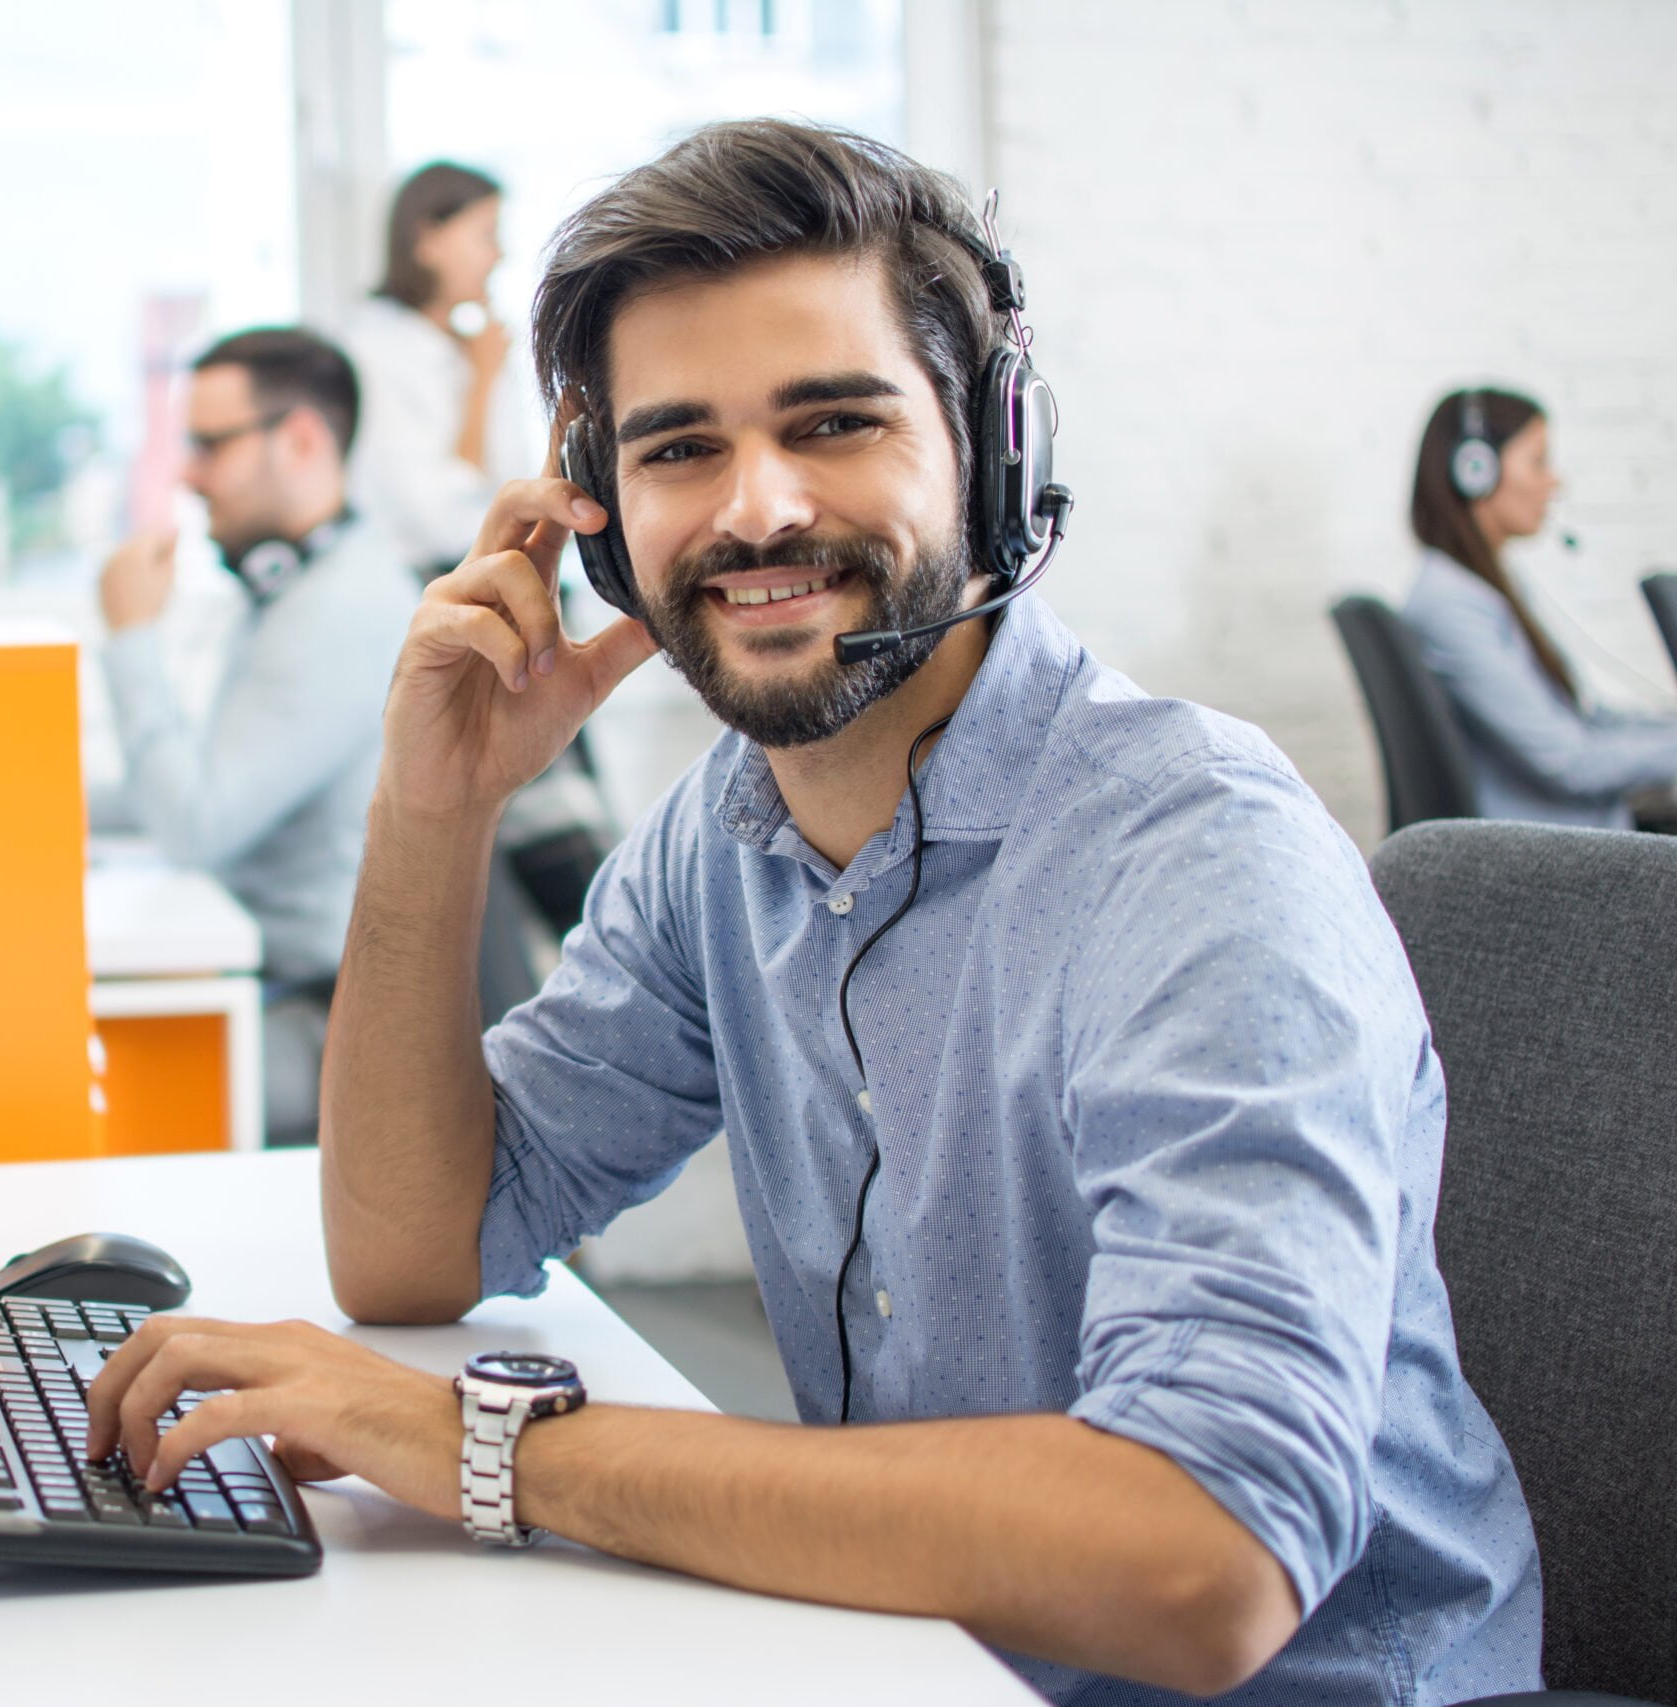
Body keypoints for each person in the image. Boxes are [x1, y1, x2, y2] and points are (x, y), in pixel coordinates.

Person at [86, 123, 1539, 1703]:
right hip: (933, 1661)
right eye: (678, 447)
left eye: (834, 420)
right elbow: (411, 1246)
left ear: (990, 451)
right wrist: (434, 808)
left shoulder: (1194, 859)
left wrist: (483, 1444)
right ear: (598, 512)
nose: (755, 509)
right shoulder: (724, 839)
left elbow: (1208, 1555)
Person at [95, 327, 418, 1144]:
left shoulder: (339, 613)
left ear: (301, 438)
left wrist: (132, 637)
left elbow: (196, 822)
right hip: (262, 975)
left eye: (209, 444)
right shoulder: (296, 587)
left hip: (313, 1018)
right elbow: (195, 787)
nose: (189, 474)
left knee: (80, 1081)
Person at [1405, 387, 1677, 827]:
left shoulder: (1481, 588)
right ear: (1475, 471)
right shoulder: (1452, 606)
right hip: (1556, 850)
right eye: (1538, 462)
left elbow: (1584, 721)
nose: (1555, 481)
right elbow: (1569, 763)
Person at [342, 162, 536, 579]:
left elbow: (518, 485)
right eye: (486, 235)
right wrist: (483, 381)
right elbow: (443, 522)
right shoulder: (375, 354)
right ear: (428, 241)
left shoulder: (473, 345)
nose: (499, 254)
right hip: (430, 582)